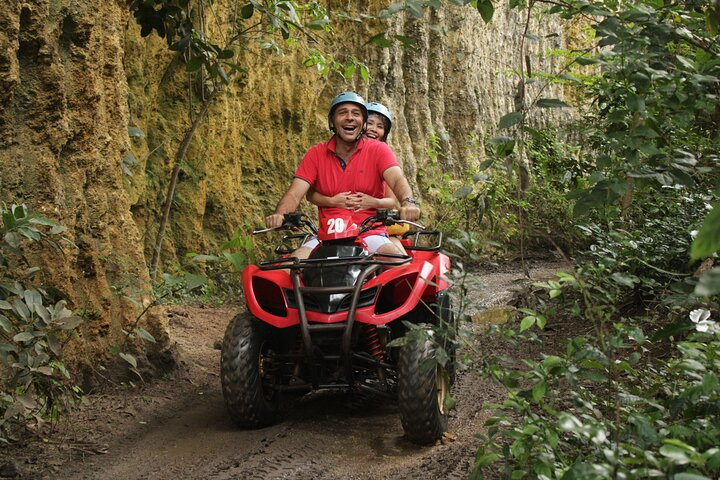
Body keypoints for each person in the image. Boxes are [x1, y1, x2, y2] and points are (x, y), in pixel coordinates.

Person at [265, 92, 420, 259]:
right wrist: (281, 214)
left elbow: (397, 179)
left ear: (363, 123)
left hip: (369, 233)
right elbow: (295, 193)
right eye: (342, 112)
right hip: (326, 236)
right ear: (332, 122)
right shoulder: (316, 154)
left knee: (399, 264)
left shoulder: (379, 150)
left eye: (356, 113)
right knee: (289, 268)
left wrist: (408, 203)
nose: (350, 118)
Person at [306, 101, 410, 250]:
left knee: (396, 255)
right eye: (370, 124)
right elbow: (309, 193)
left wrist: (372, 202)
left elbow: (392, 199)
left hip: (372, 227)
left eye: (380, 127)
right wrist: (332, 201)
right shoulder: (329, 155)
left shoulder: (383, 157)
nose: (373, 130)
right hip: (334, 230)